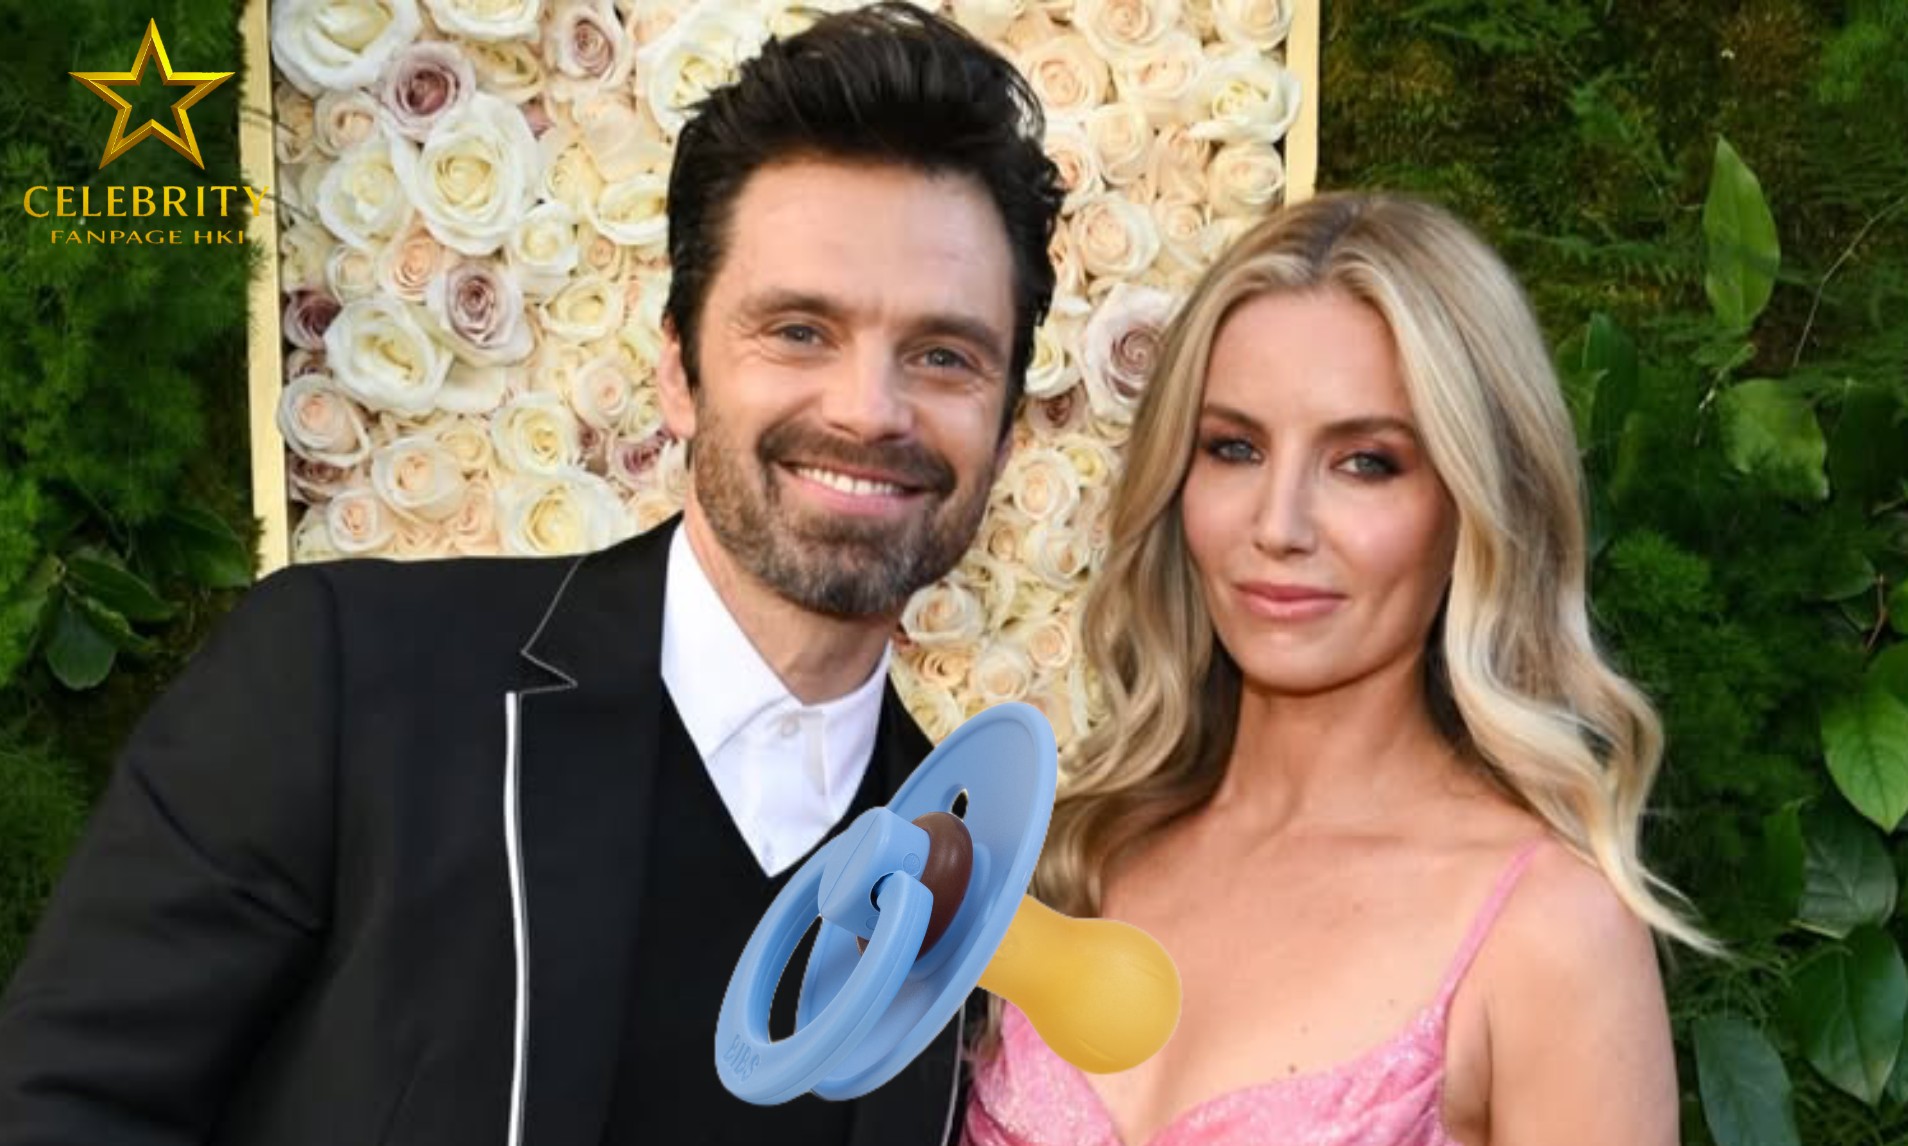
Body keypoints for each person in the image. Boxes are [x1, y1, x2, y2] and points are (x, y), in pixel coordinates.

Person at [0, 6, 1063, 1145]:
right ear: (678, 372)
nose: (869, 409)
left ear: (1005, 431)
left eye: (944, 355)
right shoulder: (347, 680)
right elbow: (62, 1107)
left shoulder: (974, 893)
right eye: (800, 331)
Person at [961, 193, 1705, 1146]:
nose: (1278, 526)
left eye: (1364, 462)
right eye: (1234, 449)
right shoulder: (1083, 852)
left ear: (1472, 504)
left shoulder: (1550, 930)